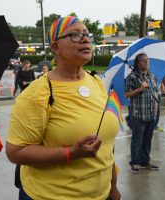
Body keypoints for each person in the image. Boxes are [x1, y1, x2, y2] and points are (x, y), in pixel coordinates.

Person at [6, 16, 121, 200]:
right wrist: (72, 153)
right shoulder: (37, 93)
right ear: (55, 48)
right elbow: (15, 152)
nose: (85, 39)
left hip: (102, 193)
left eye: (86, 34)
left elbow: (107, 145)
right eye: (75, 35)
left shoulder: (97, 83)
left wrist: (113, 185)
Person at [125, 53, 159, 174]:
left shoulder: (153, 76)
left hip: (150, 114)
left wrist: (155, 112)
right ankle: (135, 163)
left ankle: (145, 162)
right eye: (143, 60)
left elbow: (155, 93)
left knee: (148, 139)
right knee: (137, 140)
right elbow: (127, 94)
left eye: (147, 60)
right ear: (138, 63)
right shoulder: (132, 77)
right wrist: (140, 88)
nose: (146, 62)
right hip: (138, 114)